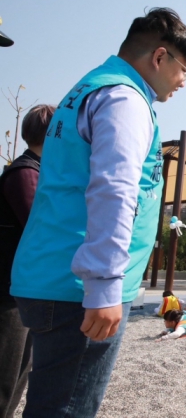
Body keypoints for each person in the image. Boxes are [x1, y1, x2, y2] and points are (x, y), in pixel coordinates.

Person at [10, 7, 186, 417]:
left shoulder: (89, 88)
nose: (184, 81)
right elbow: (114, 190)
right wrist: (104, 285)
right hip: (78, 289)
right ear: (160, 57)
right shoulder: (125, 99)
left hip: (52, 275)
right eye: (184, 69)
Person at [0, 104, 55, 418]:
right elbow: (42, 228)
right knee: (6, 377)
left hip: (21, 291)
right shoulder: (25, 173)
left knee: (18, 374)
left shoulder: (35, 171)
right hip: (7, 295)